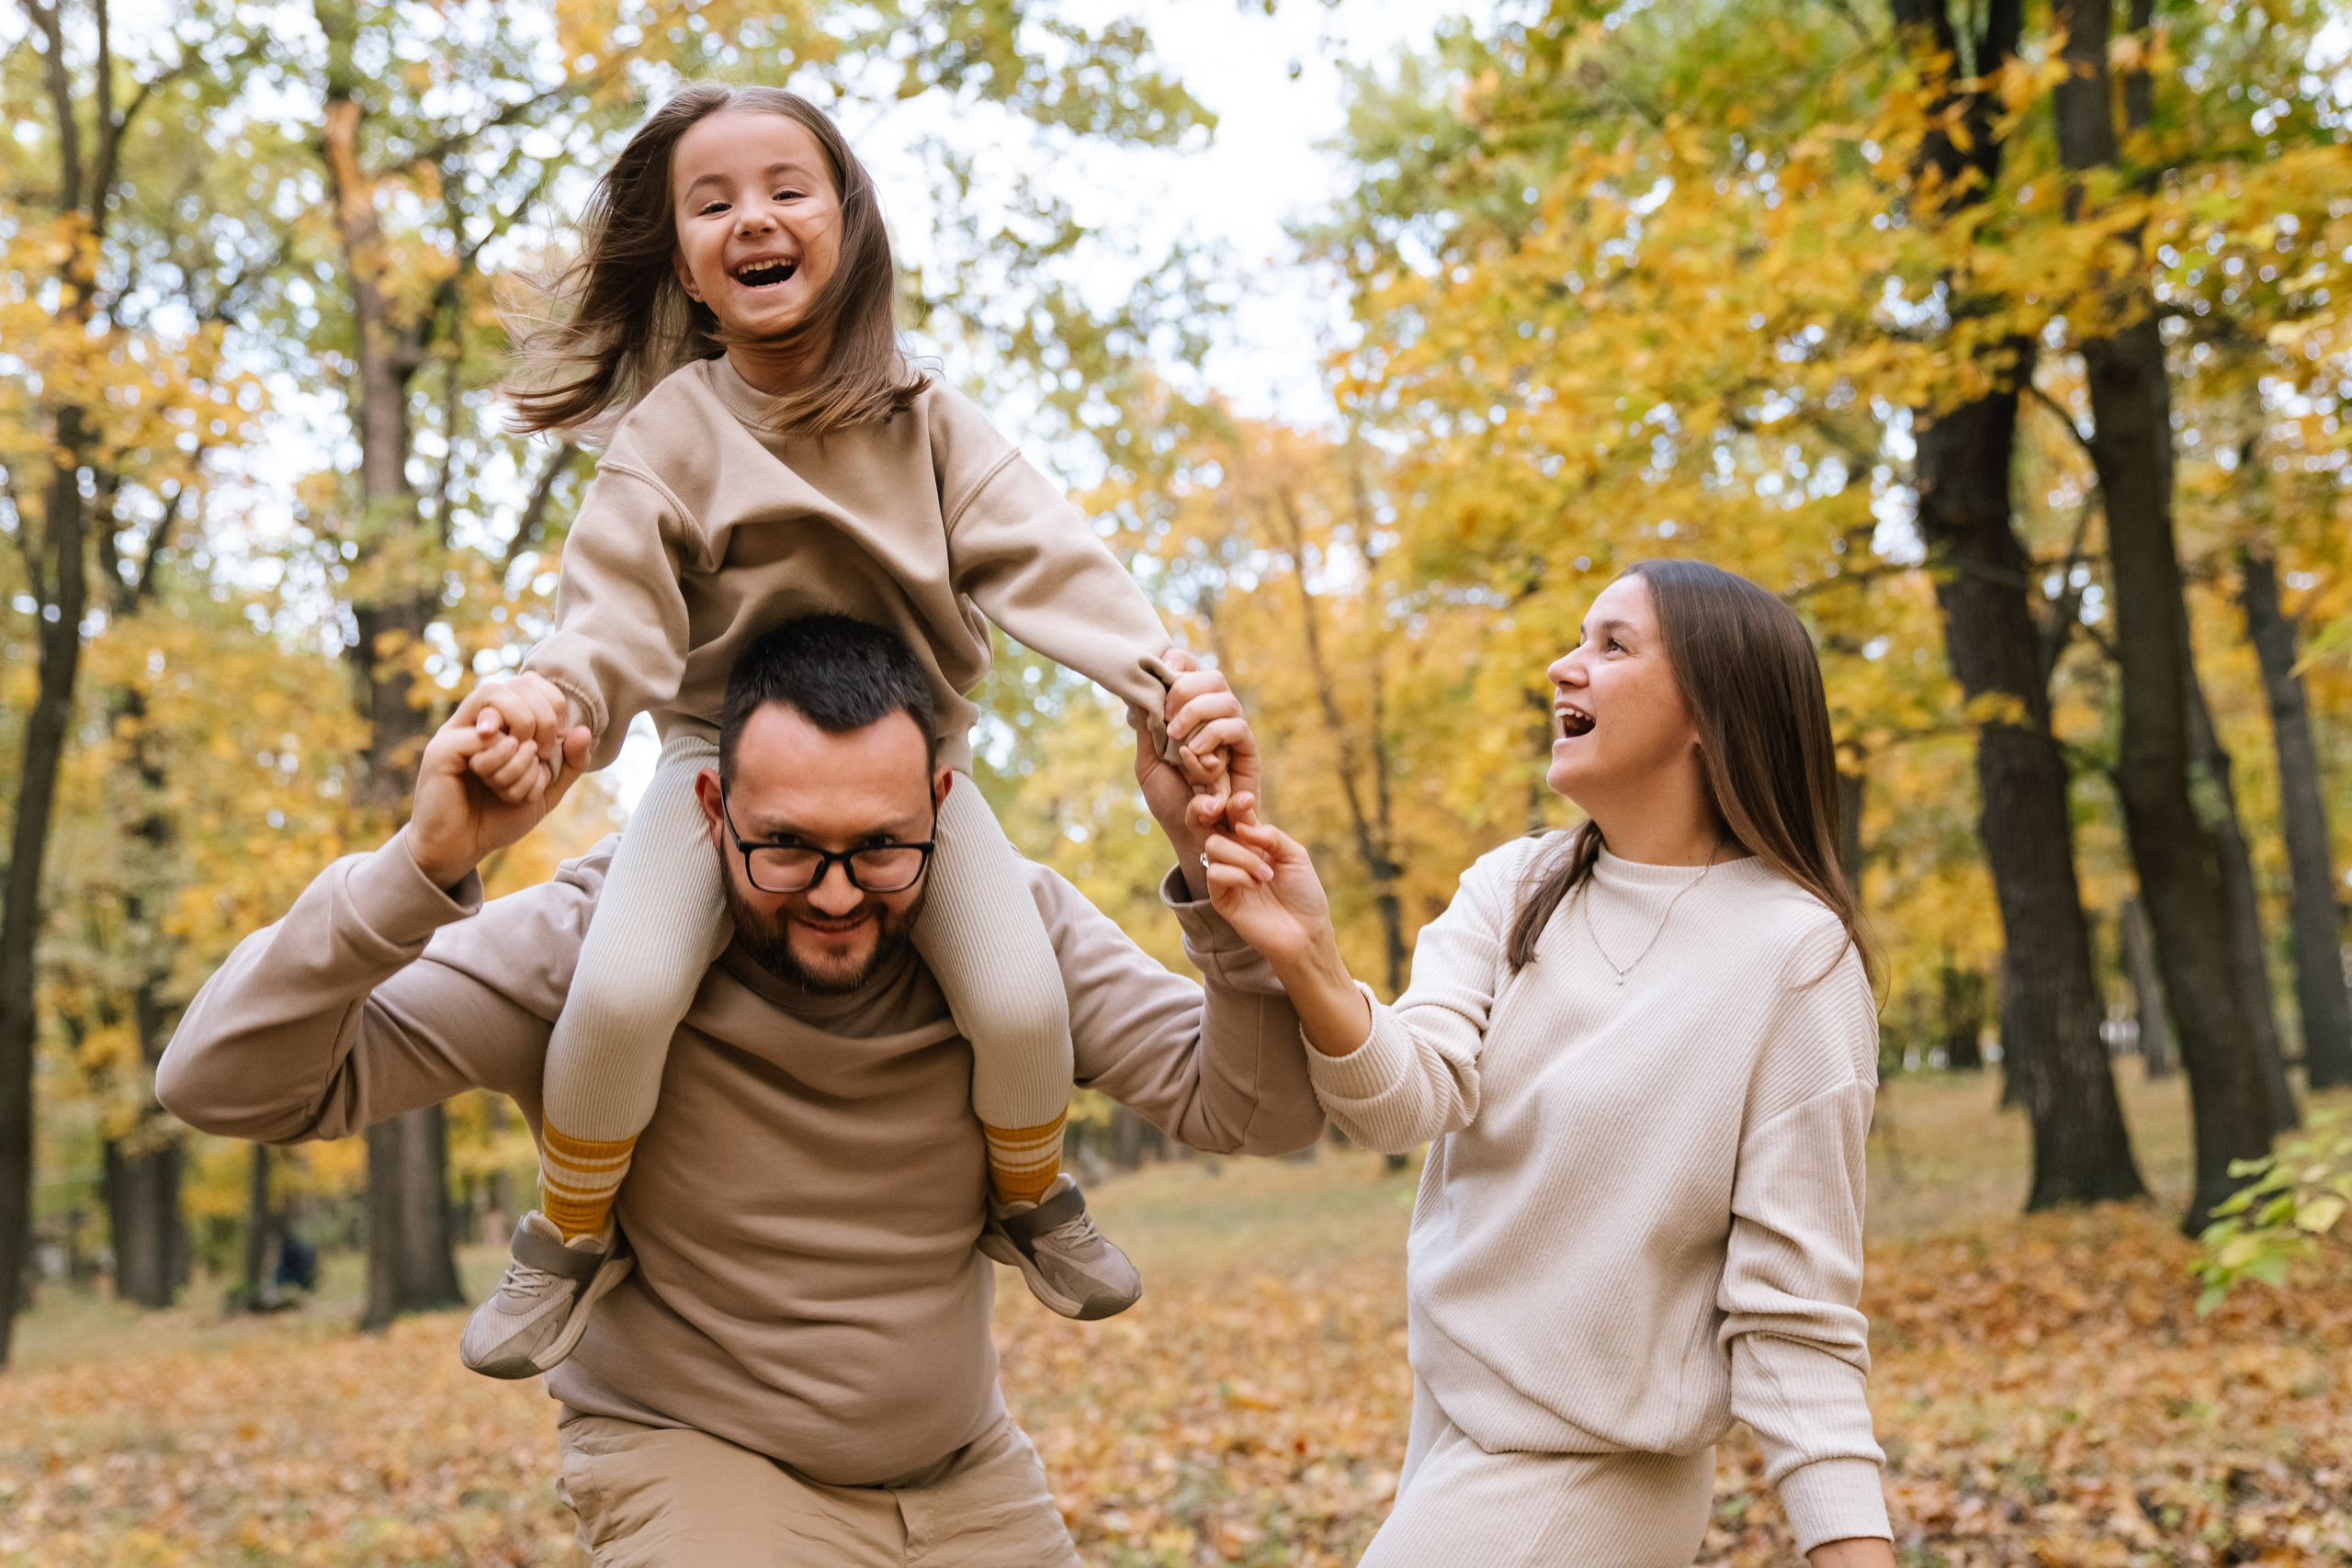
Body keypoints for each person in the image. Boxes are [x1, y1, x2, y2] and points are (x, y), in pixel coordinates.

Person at [157, 615, 1310, 1566]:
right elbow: (223, 1082)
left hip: (968, 1481)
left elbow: (1256, 1112)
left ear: (943, 813)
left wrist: (1219, 880)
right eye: (787, 846)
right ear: (711, 813)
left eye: (883, 847)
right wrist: (416, 872)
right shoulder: (589, 942)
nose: (839, 894)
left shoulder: (1013, 934)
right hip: (695, 1468)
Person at [455, 81, 1231, 1371]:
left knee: (1022, 997)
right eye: (713, 204)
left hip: (910, 775)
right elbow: (611, 617)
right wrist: (558, 699)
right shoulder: (671, 436)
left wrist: (1167, 681)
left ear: (849, 225)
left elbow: (1051, 559)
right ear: (694, 272)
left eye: (785, 188)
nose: (751, 217)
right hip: (722, 768)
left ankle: (1030, 1194)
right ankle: (569, 1233)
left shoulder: (924, 417)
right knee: (625, 989)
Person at [1198, 559, 1897, 1567]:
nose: (1563, 668)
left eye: (1612, 646)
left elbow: (1795, 1310)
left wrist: (1851, 1545)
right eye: (1578, 639)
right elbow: (1405, 1107)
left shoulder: (1793, 957)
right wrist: (1308, 956)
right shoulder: (1514, 887)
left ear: (1711, 711)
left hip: (1590, 1470)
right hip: (1453, 1428)